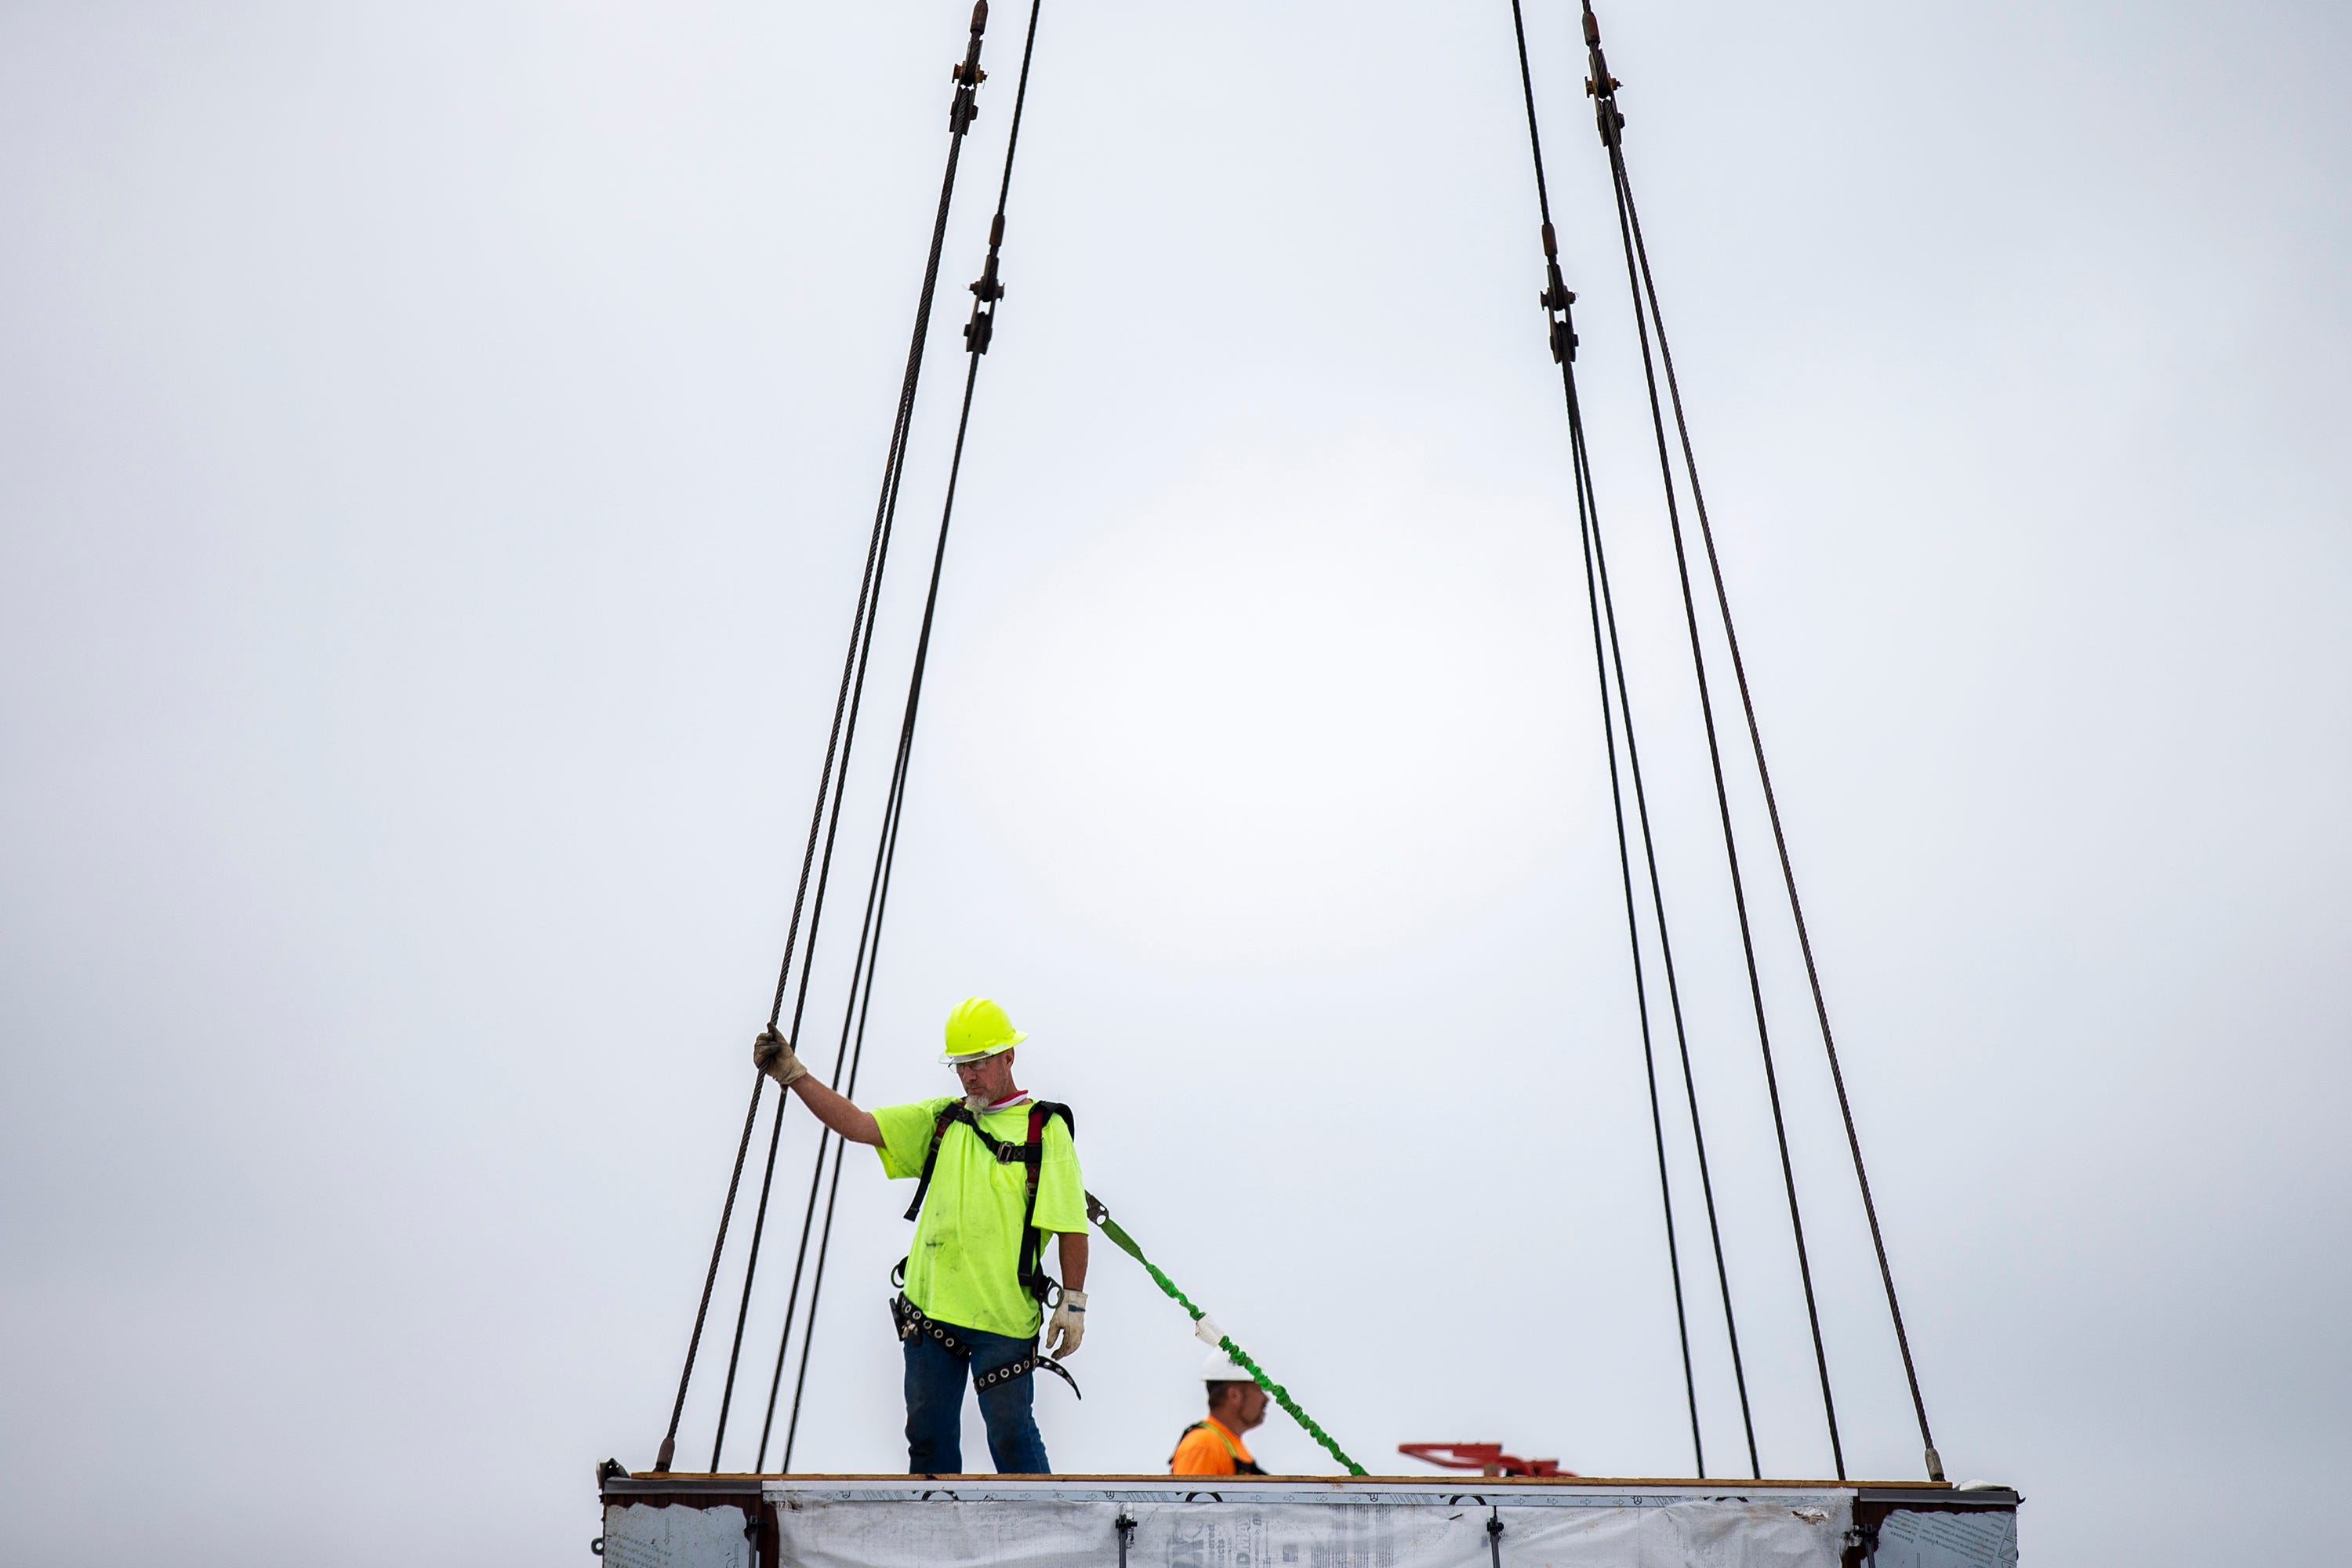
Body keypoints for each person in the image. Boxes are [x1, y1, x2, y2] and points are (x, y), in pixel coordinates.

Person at [752, 996, 1088, 1476]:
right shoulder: (943, 1119)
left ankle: (1049, 1539)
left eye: (978, 1063)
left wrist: (1073, 1302)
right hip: (932, 1313)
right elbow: (859, 1125)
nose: (968, 1076)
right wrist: (794, 1075)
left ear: (1008, 1057)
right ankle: (932, 1540)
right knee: (928, 1442)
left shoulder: (1044, 1129)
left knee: (1013, 1439)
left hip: (1004, 1318)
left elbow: (1070, 1223)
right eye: (961, 1066)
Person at [1170, 1352, 1269, 1475]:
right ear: (1234, 1395)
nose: (1266, 1399)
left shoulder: (1226, 1444)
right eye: (1259, 1390)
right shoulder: (1204, 1445)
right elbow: (1194, 1495)